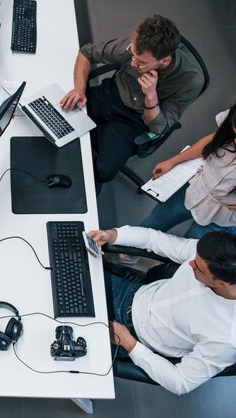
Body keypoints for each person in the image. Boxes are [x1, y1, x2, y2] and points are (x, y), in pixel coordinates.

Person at [90, 226, 236, 395]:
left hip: (132, 334)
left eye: (198, 268)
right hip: (130, 293)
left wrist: (128, 342)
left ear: (222, 284)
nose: (190, 264)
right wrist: (111, 235)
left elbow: (180, 382)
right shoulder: (210, 256)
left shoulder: (226, 338)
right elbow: (155, 239)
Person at [60, 15, 205, 185]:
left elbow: (159, 127)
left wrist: (151, 96)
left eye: (142, 62)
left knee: (104, 170)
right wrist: (79, 89)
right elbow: (87, 53)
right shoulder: (136, 47)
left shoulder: (191, 80)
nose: (133, 63)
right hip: (111, 95)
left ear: (164, 60)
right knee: (59, 115)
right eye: (133, 56)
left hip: (135, 120)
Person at [141, 104, 236, 238]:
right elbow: (214, 140)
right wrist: (174, 161)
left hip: (222, 216)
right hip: (194, 189)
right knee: (151, 224)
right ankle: (128, 253)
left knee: (191, 251)